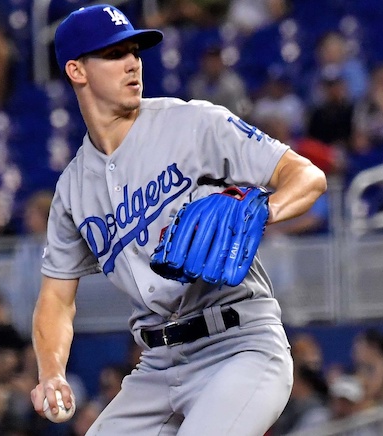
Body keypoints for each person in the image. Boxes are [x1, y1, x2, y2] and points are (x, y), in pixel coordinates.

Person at [31, 5, 326, 435]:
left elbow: (307, 176)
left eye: (135, 51)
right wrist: (51, 371)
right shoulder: (74, 189)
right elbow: (56, 298)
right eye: (114, 54)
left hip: (239, 344)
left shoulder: (193, 123)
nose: (133, 62)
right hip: (157, 366)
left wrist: (262, 210)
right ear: (77, 70)